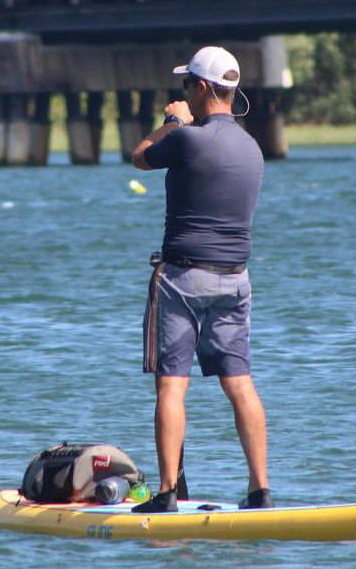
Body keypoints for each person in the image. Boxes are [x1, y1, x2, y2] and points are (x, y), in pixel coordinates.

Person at [129, 45, 271, 512]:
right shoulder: (252, 148)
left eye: (187, 84)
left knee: (172, 386)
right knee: (240, 383)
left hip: (183, 279)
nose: (183, 91)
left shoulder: (187, 138)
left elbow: (141, 156)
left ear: (203, 88)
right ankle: (259, 491)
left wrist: (173, 121)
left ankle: (167, 493)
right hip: (236, 281)